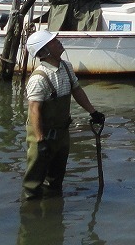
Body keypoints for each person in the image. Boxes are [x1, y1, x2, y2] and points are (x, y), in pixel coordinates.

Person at [22, 29, 104, 199]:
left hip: (61, 133)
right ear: (44, 51)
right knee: (33, 183)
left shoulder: (66, 67)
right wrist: (40, 141)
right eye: (53, 41)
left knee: (56, 179)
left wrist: (93, 112)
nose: (58, 41)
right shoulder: (39, 78)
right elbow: (34, 110)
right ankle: (30, 215)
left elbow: (77, 90)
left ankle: (53, 214)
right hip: (42, 135)